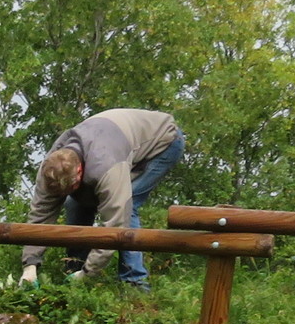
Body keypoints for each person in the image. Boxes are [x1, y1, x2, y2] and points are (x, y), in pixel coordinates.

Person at [21, 109, 185, 289]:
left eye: (70, 188)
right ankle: (73, 267)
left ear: (79, 171)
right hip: (112, 139)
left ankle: (134, 283)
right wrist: (29, 266)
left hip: (162, 141)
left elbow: (115, 225)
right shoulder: (50, 169)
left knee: (128, 204)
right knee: (74, 203)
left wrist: (88, 273)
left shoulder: (107, 166)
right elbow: (40, 216)